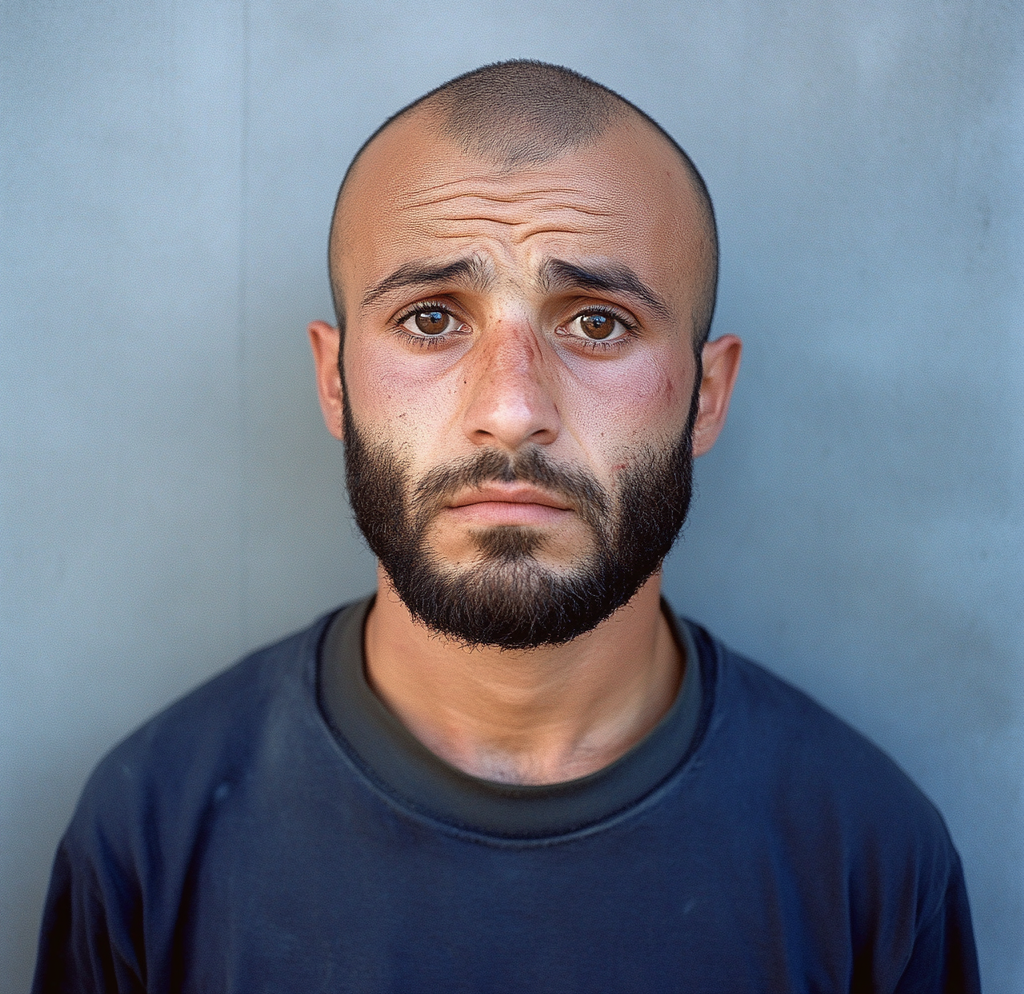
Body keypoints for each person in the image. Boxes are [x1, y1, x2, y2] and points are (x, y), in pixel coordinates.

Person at [33, 60, 979, 993]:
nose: (514, 409)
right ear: (334, 380)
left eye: (598, 324)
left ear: (706, 395)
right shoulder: (149, 835)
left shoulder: (869, 858)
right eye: (433, 317)